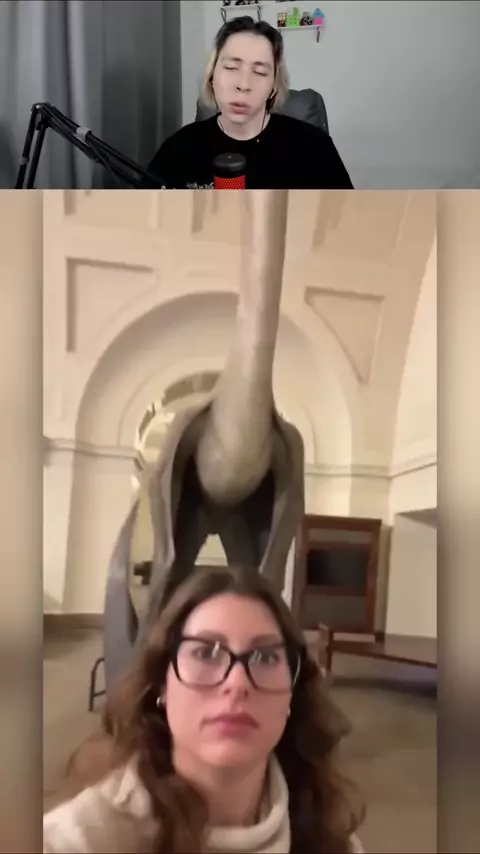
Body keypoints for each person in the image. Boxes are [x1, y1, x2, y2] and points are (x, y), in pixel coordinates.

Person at [43, 565, 365, 853]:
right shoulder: (80, 839)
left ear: (292, 692)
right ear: (162, 684)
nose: (237, 682)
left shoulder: (331, 835)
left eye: (265, 657)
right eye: (205, 653)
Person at [141, 17, 353, 190]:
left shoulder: (315, 148)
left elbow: (347, 222)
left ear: (274, 85)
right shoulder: (178, 149)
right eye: (231, 68)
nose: (243, 85)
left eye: (259, 72)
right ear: (212, 76)